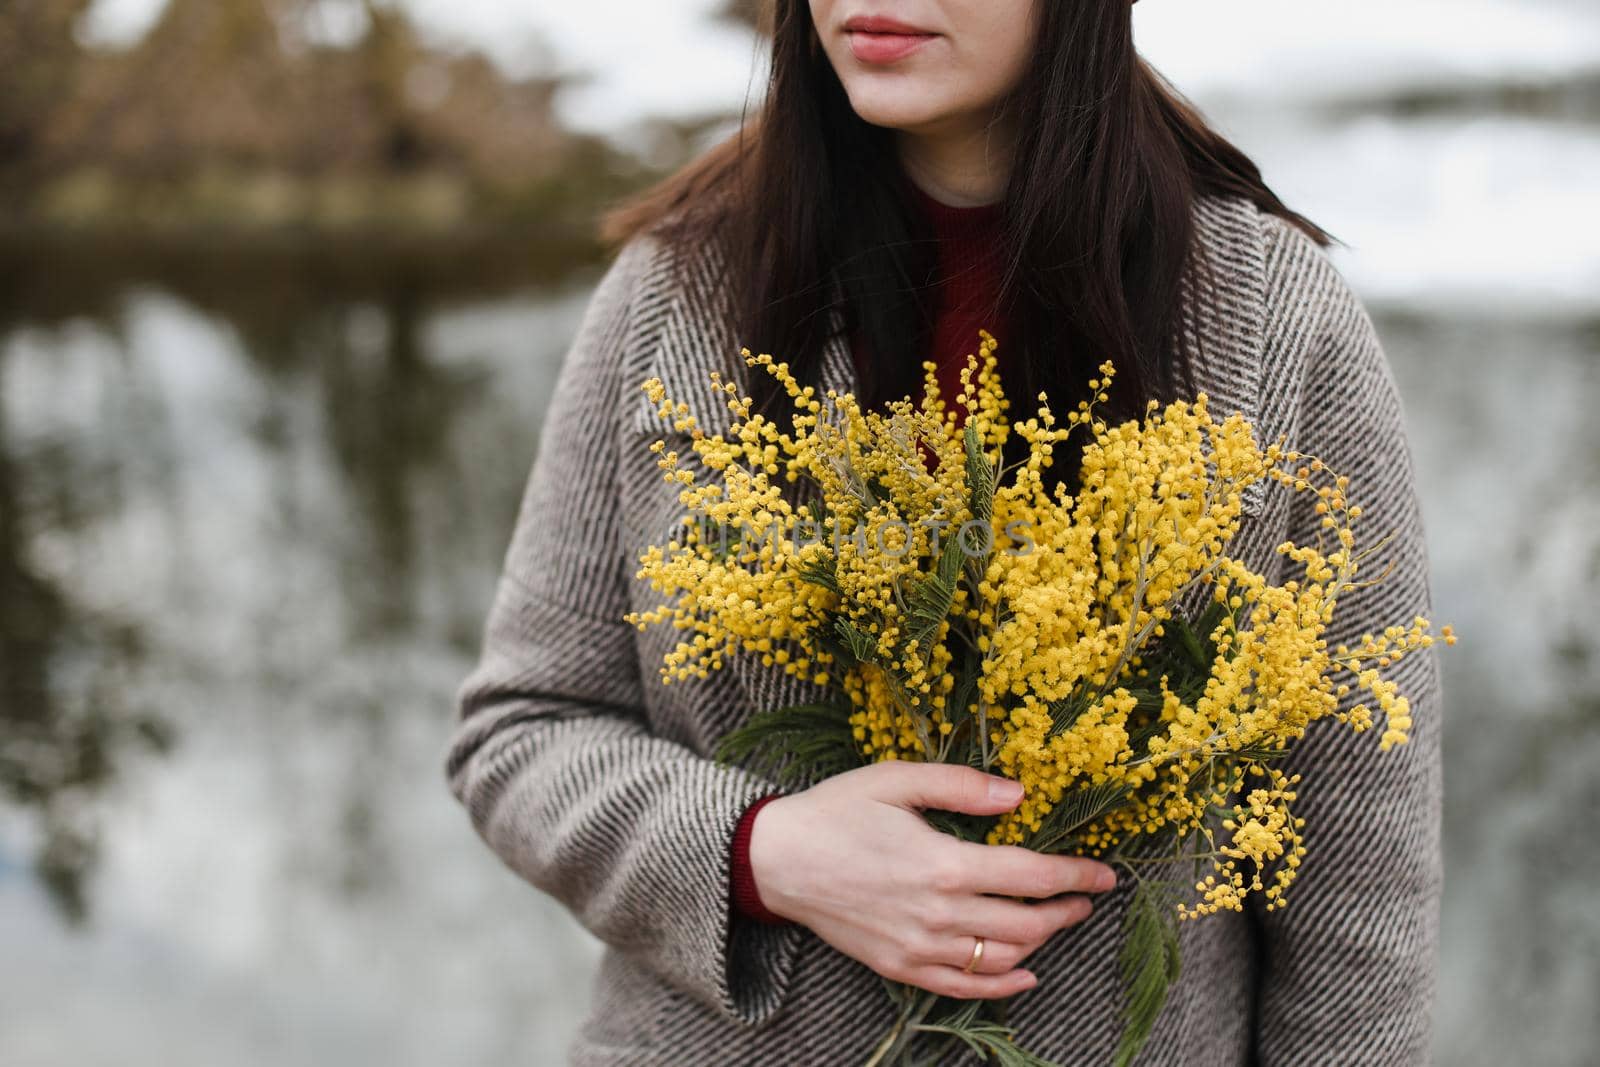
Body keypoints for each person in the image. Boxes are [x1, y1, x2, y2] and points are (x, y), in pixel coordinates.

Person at [444, 2, 1443, 1063]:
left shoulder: (1272, 322)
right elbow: (523, 729)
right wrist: (763, 850)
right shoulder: (682, 290)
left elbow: (1358, 904)